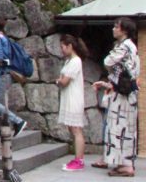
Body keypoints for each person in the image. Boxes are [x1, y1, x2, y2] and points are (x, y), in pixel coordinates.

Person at [91, 17, 139, 176]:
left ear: (124, 30)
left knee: (121, 127)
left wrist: (112, 80)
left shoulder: (125, 46)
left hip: (123, 95)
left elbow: (108, 61)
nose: (113, 28)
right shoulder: (130, 46)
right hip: (125, 92)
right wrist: (109, 83)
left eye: (116, 26)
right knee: (122, 127)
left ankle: (126, 165)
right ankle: (123, 162)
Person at [0, 12, 27, 136]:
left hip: (2, 73)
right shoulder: (4, 37)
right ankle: (4, 126)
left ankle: (18, 121)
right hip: (7, 74)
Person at [56, 34, 88, 172]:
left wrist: (58, 80)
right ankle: (77, 158)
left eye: (62, 46)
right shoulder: (69, 61)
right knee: (72, 128)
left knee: (76, 130)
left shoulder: (76, 61)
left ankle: (79, 160)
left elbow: (64, 81)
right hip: (69, 98)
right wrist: (60, 80)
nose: (61, 49)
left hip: (74, 99)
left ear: (70, 46)